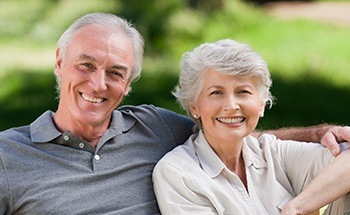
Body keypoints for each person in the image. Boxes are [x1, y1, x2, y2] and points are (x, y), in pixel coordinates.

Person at [0, 13, 349, 214]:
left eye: (116, 73)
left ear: (129, 83)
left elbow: (226, 133)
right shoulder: (9, 155)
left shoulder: (153, 128)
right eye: (86, 65)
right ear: (60, 63)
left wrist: (316, 134)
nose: (99, 84)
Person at [152, 38, 350, 215]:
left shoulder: (271, 152)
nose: (231, 106)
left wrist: (298, 207)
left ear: (262, 104)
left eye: (243, 92)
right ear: (194, 106)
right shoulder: (178, 173)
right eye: (216, 93)